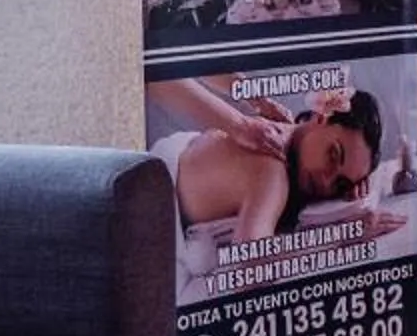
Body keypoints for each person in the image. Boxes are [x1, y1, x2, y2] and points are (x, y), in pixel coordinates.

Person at [146, 77, 392, 242]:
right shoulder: (272, 170)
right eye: (333, 155)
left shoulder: (284, 131)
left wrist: (347, 189)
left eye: (340, 183)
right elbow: (251, 269)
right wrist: (343, 236)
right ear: (322, 114)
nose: (327, 182)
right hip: (153, 205)